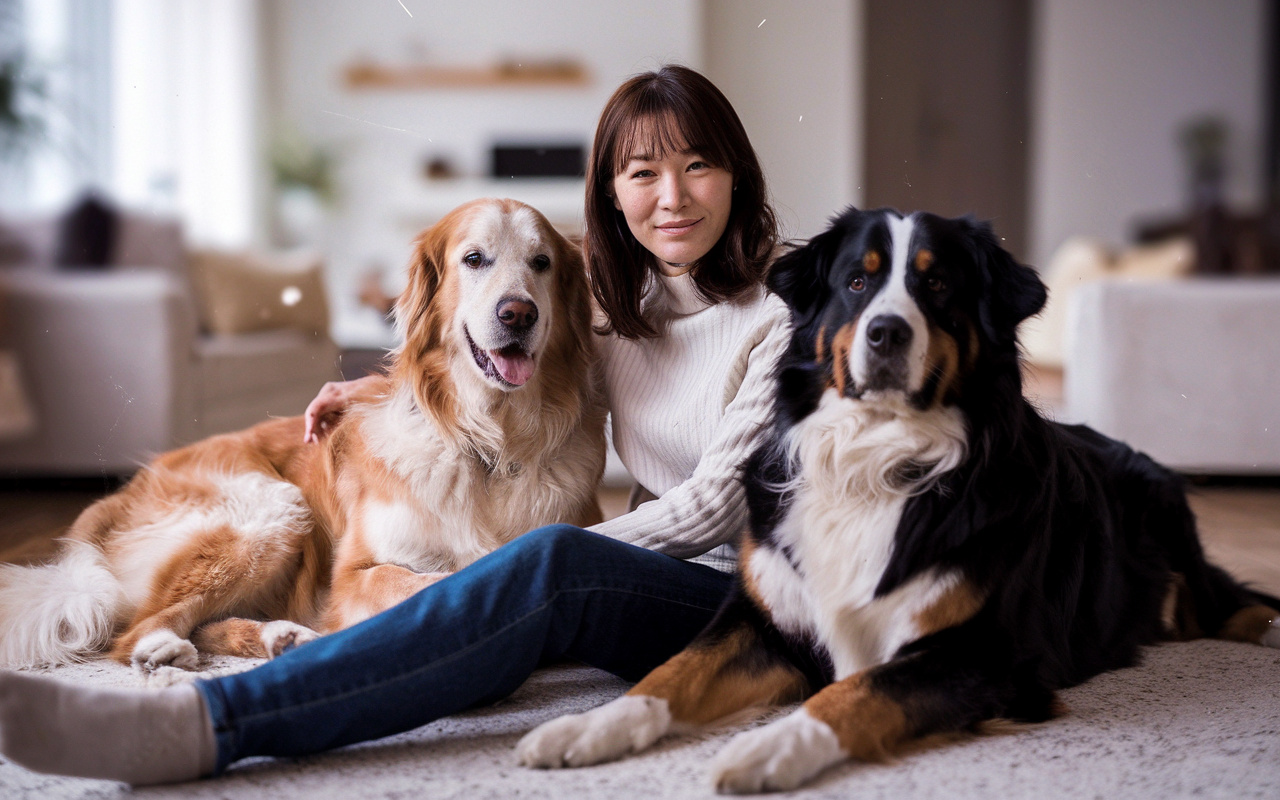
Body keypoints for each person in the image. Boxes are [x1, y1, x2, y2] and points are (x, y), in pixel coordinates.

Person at [0, 64, 792, 786]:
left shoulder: (785, 308)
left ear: (736, 175)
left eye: (698, 165)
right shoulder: (616, 304)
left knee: (546, 562)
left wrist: (524, 567)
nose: (673, 197)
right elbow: (468, 333)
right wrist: (376, 390)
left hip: (749, 601)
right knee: (522, 585)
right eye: (642, 172)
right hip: (641, 588)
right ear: (613, 194)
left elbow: (716, 506)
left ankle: (212, 724)